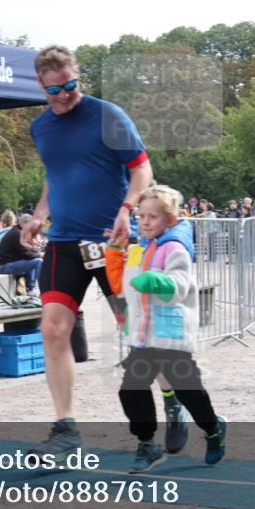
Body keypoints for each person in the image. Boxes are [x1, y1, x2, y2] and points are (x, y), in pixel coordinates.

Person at [21, 45, 159, 458]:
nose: (63, 96)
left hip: (112, 241)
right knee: (53, 329)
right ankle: (65, 430)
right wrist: (39, 214)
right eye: (54, 90)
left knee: (135, 332)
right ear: (41, 87)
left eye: (70, 86)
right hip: (64, 243)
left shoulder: (107, 115)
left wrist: (127, 209)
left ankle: (174, 402)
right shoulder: (40, 128)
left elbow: (141, 168)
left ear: (78, 77)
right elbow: (54, 175)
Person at [104, 185, 227, 472]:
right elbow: (123, 286)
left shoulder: (175, 248)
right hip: (142, 337)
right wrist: (113, 255)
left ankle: (213, 429)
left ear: (170, 220)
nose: (145, 222)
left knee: (189, 393)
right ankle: (147, 443)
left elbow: (183, 284)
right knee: (131, 388)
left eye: (153, 217)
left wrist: (158, 282)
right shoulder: (136, 249)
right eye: (141, 216)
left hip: (170, 336)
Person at [0, 214, 44, 296]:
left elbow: (26, 253)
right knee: (38, 261)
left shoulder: (17, 231)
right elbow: (26, 254)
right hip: (2, 266)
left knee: (33, 261)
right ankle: (40, 289)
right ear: (25, 223)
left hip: (4, 264)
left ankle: (31, 289)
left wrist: (35, 249)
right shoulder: (17, 234)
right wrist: (40, 254)